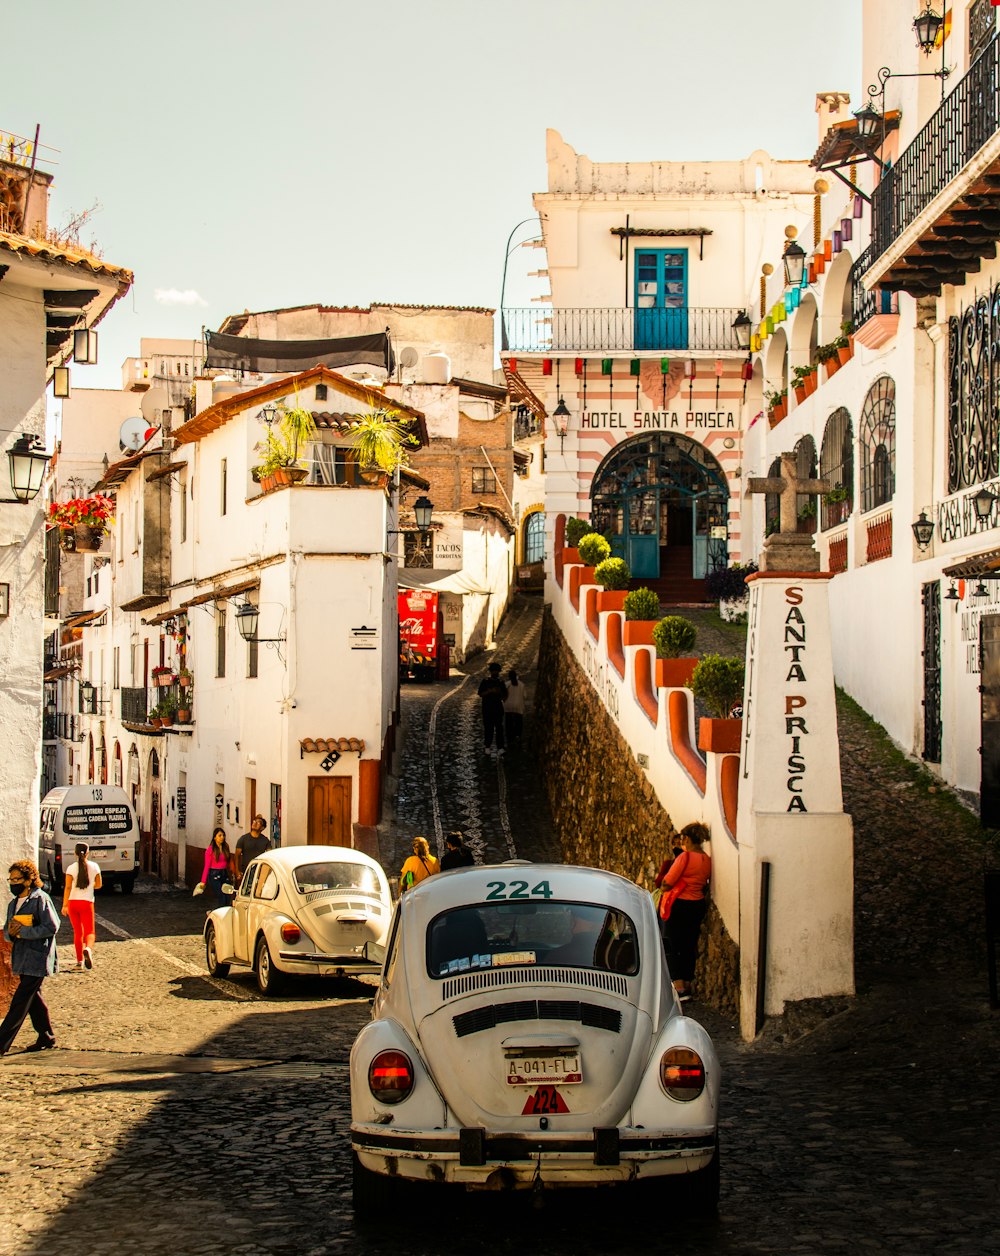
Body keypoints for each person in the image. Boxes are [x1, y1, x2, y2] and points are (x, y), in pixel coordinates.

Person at [0, 860, 60, 1055]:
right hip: (21, 957)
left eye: (17, 879)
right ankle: (46, 1036)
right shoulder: (13, 904)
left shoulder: (40, 899)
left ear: (28, 880)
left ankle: (1, 1042)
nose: (13, 883)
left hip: (37, 957)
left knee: (20, 1001)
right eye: (11, 879)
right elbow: (8, 931)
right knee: (34, 998)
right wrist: (11, 933)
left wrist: (24, 932)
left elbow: (52, 926)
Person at [655, 822, 712, 1002]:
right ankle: (687, 983)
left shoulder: (685, 857)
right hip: (697, 905)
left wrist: (663, 885)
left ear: (686, 838)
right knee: (688, 944)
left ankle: (678, 986)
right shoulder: (707, 860)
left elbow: (668, 883)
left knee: (671, 943)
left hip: (679, 904)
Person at [62, 842, 101, 971]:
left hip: (73, 902)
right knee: (90, 932)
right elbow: (99, 885)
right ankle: (88, 949)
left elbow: (67, 887)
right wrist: (91, 886)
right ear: (88, 853)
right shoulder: (94, 867)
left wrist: (65, 905)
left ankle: (79, 962)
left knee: (78, 932)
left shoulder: (71, 868)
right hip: (87, 902)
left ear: (75, 853)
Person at [197, 828, 234, 908]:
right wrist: (203, 881)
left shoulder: (225, 847)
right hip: (214, 874)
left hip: (224, 873)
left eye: (223, 835)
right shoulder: (210, 850)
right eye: (219, 835)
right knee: (221, 896)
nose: (222, 837)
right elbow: (207, 866)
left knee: (228, 895)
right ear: (215, 837)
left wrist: (233, 871)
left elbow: (229, 860)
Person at [477, 661, 508, 756]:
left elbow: (505, 696)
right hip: (487, 709)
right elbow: (480, 694)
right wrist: (490, 691)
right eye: (494, 671)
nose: (495, 673)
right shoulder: (485, 682)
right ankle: (487, 746)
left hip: (497, 708)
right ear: (491, 672)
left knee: (499, 728)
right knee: (488, 728)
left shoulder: (501, 683)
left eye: (496, 671)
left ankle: (500, 747)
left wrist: (499, 693)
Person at [235, 815, 270, 879]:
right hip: (246, 871)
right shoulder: (243, 839)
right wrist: (237, 871)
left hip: (259, 871)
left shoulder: (265, 841)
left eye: (258, 822)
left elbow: (269, 855)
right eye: (254, 821)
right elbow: (237, 856)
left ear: (262, 828)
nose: (255, 823)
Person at [504, 669, 525, 747]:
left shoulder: (506, 684)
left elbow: (503, 695)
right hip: (518, 706)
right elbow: (525, 695)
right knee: (519, 722)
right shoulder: (521, 684)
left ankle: (510, 737)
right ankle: (518, 736)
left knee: (508, 722)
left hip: (508, 706)